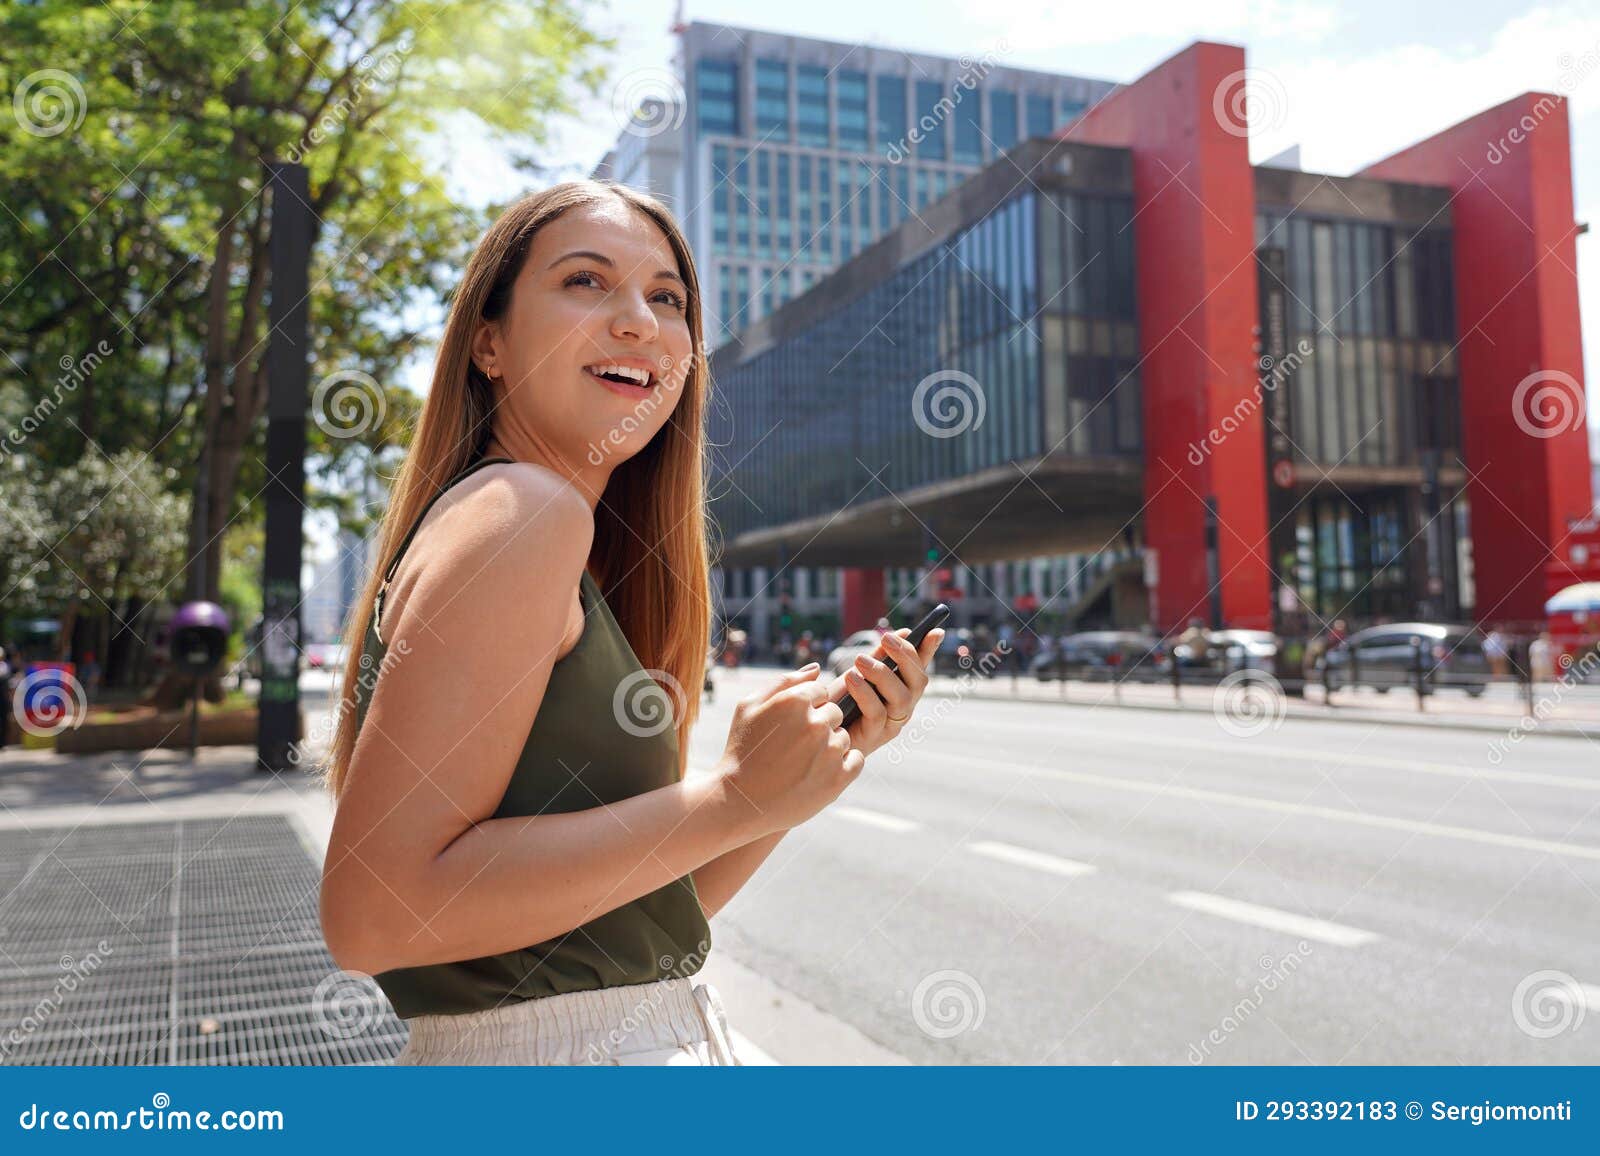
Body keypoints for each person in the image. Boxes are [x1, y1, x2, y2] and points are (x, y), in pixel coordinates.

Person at [317, 181, 944, 1067]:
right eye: (585, 281)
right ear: (488, 343)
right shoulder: (527, 512)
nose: (639, 322)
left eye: (667, 298)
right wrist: (733, 793)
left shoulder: (556, 539)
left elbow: (624, 927)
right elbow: (374, 916)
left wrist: (785, 791)